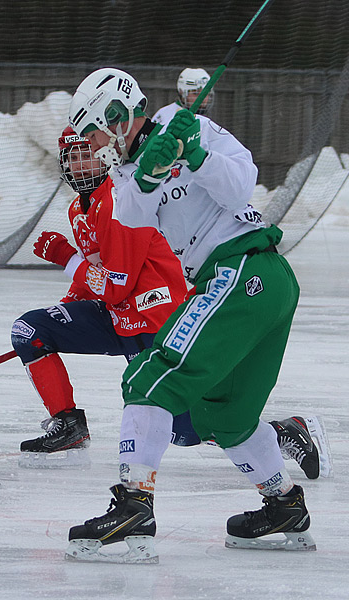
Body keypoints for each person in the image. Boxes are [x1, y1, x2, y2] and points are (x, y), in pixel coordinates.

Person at [63, 67, 318, 563]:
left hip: (245, 267)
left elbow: (243, 185)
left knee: (148, 378)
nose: (93, 143)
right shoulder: (123, 174)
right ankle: (285, 505)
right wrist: (150, 173)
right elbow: (135, 217)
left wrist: (194, 155)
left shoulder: (188, 124)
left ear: (116, 117)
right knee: (226, 413)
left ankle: (134, 506)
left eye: (95, 129)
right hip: (250, 283)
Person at [14, 129, 325, 476]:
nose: (79, 165)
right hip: (117, 317)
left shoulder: (121, 198)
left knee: (185, 431)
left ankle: (282, 431)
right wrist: (69, 307)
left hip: (155, 318)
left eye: (86, 155)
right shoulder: (79, 209)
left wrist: (66, 258)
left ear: (104, 157)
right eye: (71, 158)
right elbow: (97, 275)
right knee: (30, 330)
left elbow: (117, 284)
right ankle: (68, 425)